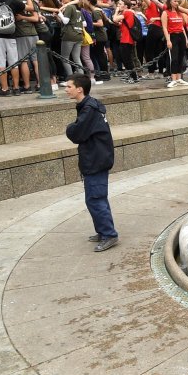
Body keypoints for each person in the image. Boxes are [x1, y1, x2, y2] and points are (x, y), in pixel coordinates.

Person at [64, 74, 119, 252]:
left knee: (96, 199)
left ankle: (109, 235)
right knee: (95, 198)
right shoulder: (89, 105)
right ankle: (103, 231)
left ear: (79, 89)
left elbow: (76, 133)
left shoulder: (88, 110)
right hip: (97, 157)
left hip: (96, 160)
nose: (66, 89)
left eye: (69, 86)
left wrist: (69, 128)